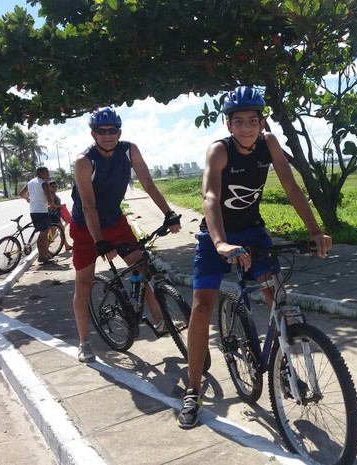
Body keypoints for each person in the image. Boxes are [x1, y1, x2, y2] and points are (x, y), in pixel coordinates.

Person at [178, 86, 332, 428]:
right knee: (202, 305)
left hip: (252, 233)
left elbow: (292, 188)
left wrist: (314, 230)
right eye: (238, 122)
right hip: (215, 236)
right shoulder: (219, 151)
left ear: (262, 121)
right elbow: (210, 198)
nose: (246, 128)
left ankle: (286, 369)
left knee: (279, 298)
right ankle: (192, 389)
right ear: (228, 124)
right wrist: (219, 243)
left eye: (253, 120)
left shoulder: (270, 144)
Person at [70, 106, 182, 363]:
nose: (108, 135)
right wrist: (99, 241)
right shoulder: (84, 161)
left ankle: (160, 321)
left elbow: (148, 184)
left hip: (115, 222)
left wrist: (168, 213)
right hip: (86, 227)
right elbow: (88, 206)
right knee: (84, 283)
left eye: (113, 131)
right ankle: (84, 342)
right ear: (93, 134)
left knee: (143, 266)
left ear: (119, 132)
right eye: (102, 131)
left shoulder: (129, 150)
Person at [19, 166, 57, 264]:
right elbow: (49, 198)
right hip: (42, 211)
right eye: (46, 172)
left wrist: (28, 199)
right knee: (43, 234)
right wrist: (52, 205)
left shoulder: (30, 182)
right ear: (41, 173)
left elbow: (21, 193)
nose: (48, 174)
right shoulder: (44, 184)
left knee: (42, 232)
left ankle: (44, 254)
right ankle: (42, 257)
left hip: (33, 211)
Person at [48, 180, 72, 251]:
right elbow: (50, 206)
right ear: (49, 187)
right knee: (57, 230)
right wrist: (60, 206)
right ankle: (45, 248)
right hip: (53, 216)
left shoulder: (53, 194)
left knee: (59, 230)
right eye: (53, 186)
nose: (55, 188)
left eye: (56, 186)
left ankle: (66, 245)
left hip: (56, 216)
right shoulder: (51, 195)